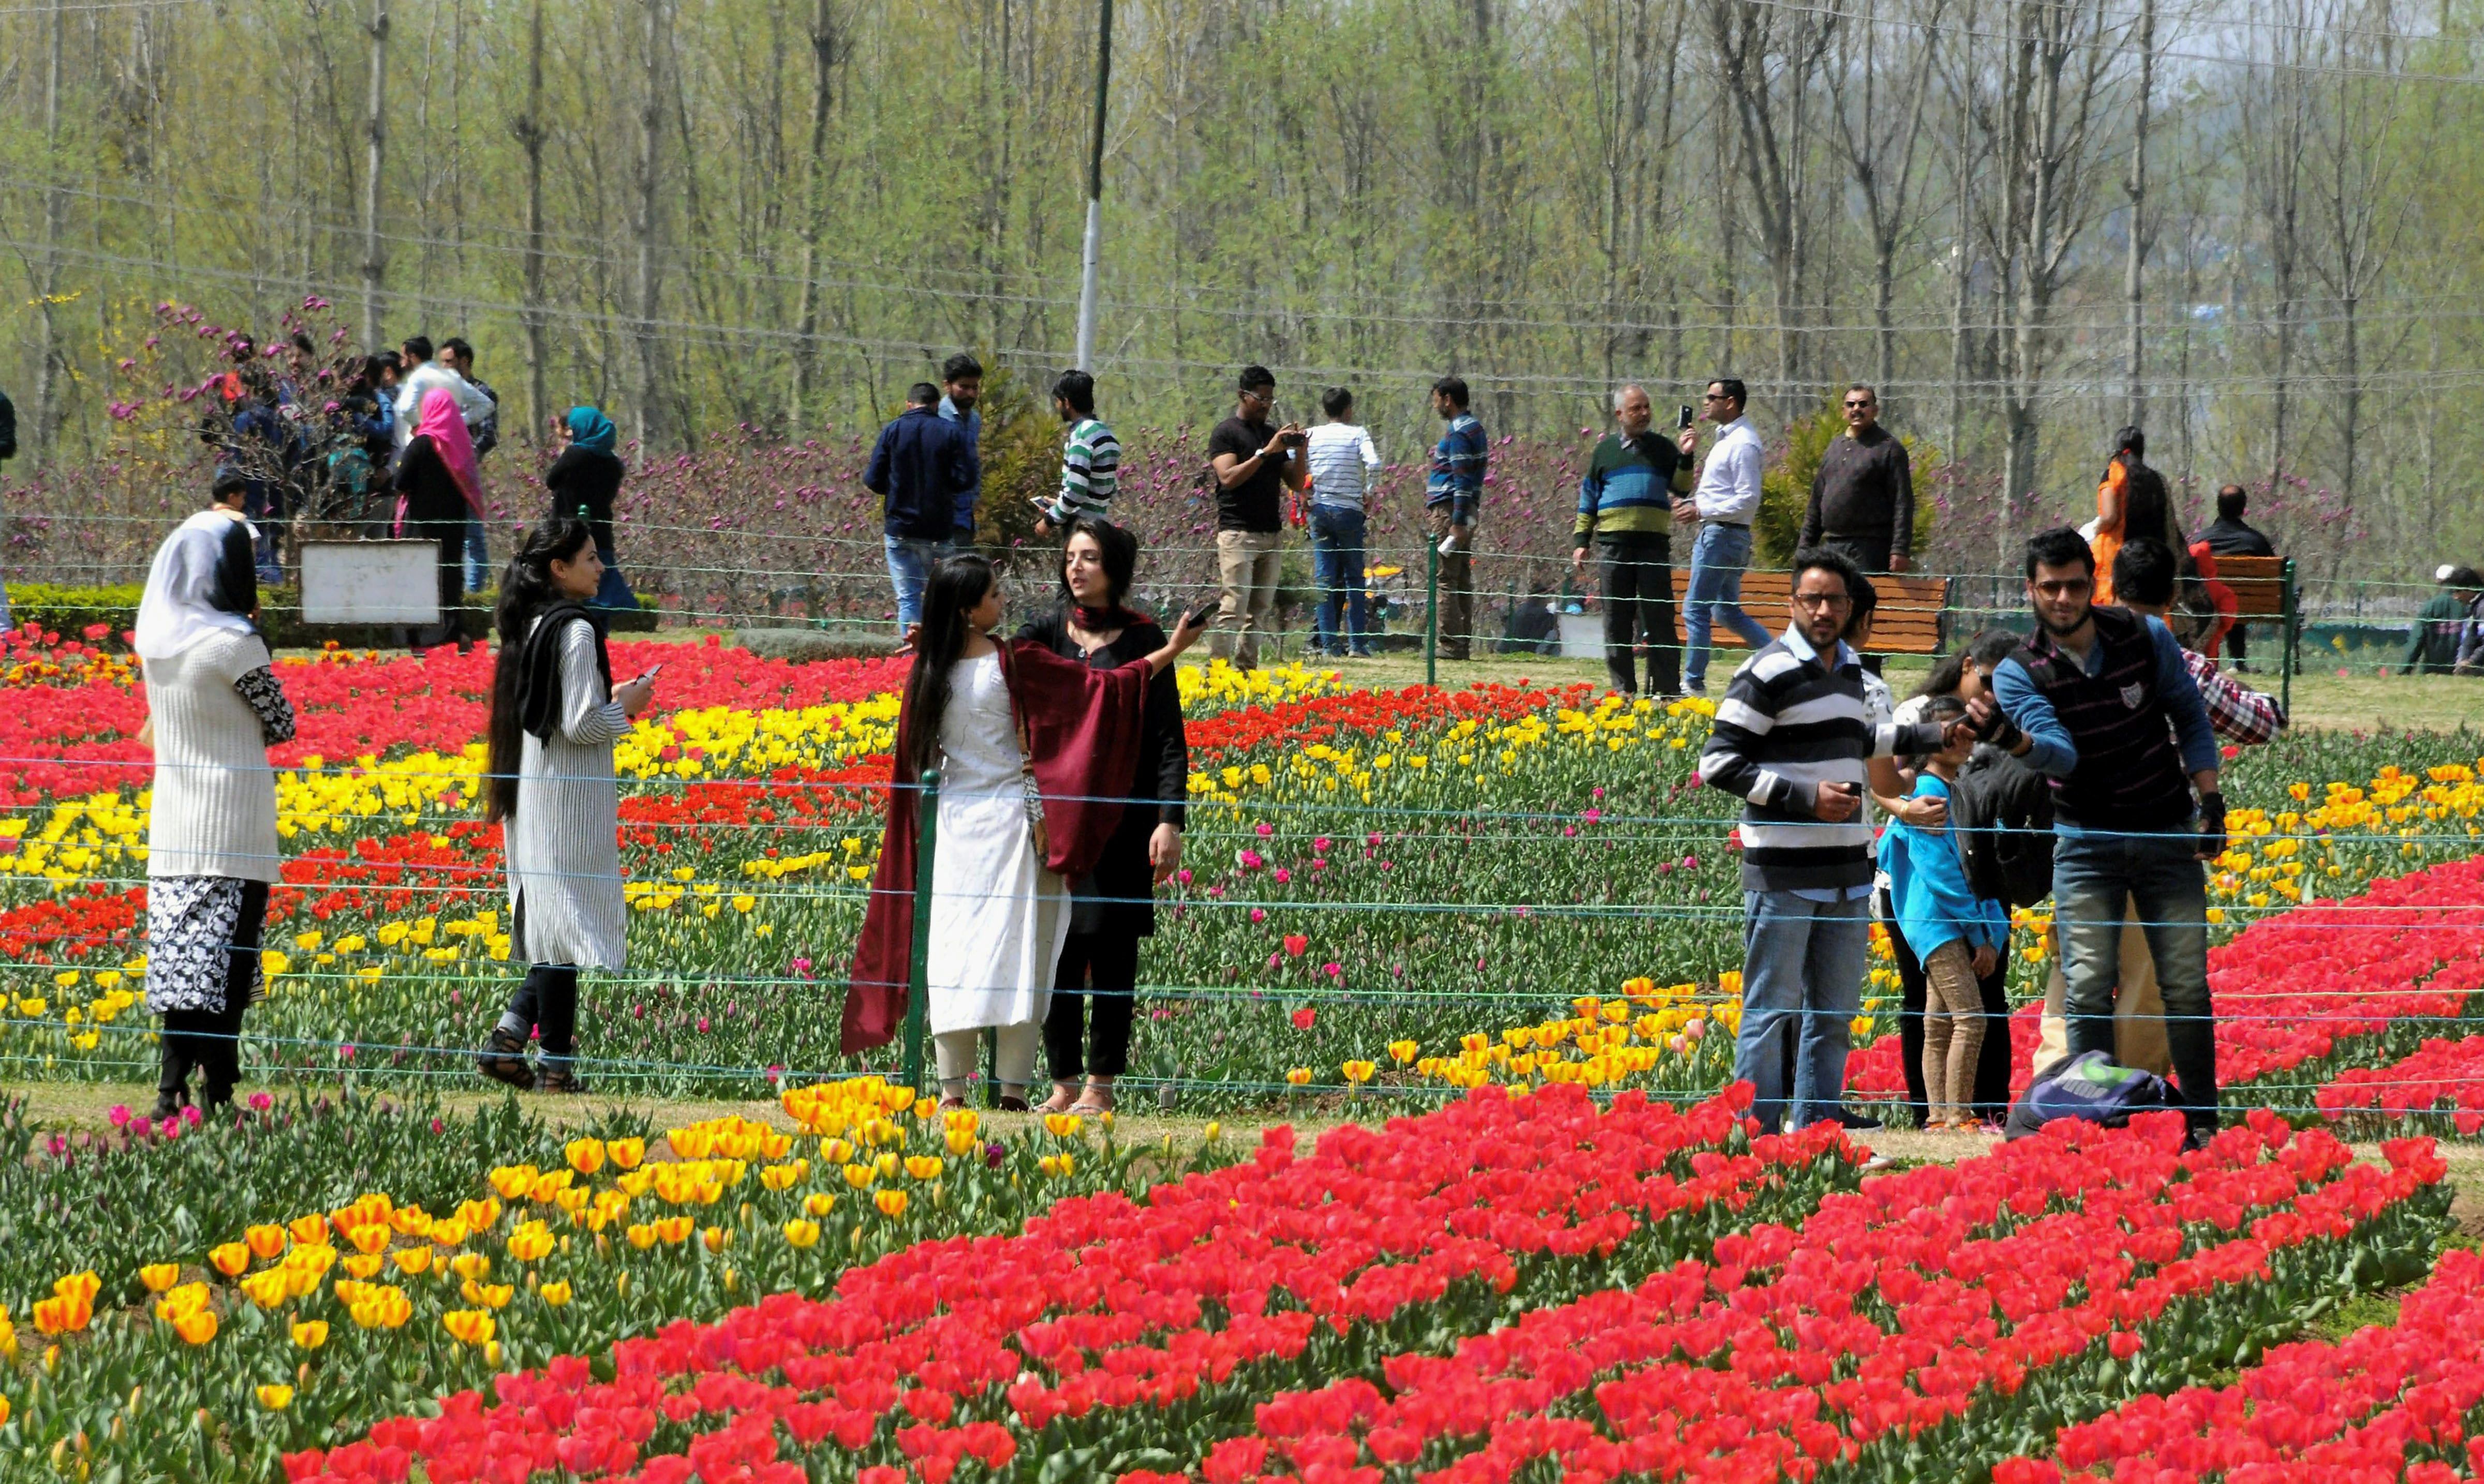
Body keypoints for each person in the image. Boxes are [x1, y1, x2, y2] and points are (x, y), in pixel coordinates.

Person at [842, 556, 1209, 1109]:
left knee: (953, 954)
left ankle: (953, 1092)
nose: (1003, 602)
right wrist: (1173, 650)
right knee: (1023, 950)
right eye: (993, 595)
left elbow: (920, 760)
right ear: (969, 611)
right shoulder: (1012, 662)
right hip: (1015, 824)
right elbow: (1103, 691)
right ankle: (1013, 1091)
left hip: (952, 829)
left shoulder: (928, 671)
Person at [1698, 546, 1968, 1133]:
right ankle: (1759, 1134)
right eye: (1812, 598)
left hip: (1848, 871)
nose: (1824, 609)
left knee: (1834, 1012)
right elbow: (1718, 763)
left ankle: (1817, 1128)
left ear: (1849, 607)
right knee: (1771, 1012)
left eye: (1835, 600)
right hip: (1784, 875)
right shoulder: (1765, 672)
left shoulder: (1848, 670)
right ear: (1792, 603)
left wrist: (1936, 732)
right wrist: (1805, 797)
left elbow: (1859, 738)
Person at [1977, 526, 2225, 1146]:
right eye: (2050, 587)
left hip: (2167, 829)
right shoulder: (2020, 673)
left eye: (2075, 585)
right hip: (2085, 842)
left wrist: (2212, 800)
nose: (2063, 598)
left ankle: (2204, 1126)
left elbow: (2189, 716)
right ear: (2031, 590)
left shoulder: (2146, 637)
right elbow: (2063, 758)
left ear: (2096, 583)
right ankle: (2090, 1125)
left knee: (2186, 983)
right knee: (2088, 985)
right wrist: (2014, 741)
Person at [2026, 537, 2287, 1081]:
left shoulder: (2061, 659)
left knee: (2076, 978)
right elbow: (2259, 723)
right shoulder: (2182, 660)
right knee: (2147, 979)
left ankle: (2058, 1087)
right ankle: (2134, 1094)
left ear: (2108, 588)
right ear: (2173, 594)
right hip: (2160, 833)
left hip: (2083, 834)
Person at [475, 518, 657, 1093]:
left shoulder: (532, 625)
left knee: (559, 928)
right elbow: (579, 724)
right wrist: (627, 705)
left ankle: (516, 1043)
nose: (601, 568)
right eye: (590, 558)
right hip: (569, 799)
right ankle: (552, 1067)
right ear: (559, 568)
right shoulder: (575, 631)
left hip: (535, 791)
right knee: (567, 928)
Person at [1017, 520, 1190, 1115]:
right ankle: (1062, 1080)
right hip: (1057, 821)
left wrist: (1169, 820)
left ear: (1115, 566)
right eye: (1070, 557)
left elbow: (1169, 736)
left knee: (1113, 952)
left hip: (1125, 816)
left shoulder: (1144, 636)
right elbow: (994, 663)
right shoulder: (1045, 633)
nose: (1077, 568)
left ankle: (1101, 1084)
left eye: (1090, 557)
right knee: (1056, 949)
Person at [135, 481, 297, 1116]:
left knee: (180, 965)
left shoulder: (157, 646)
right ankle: (220, 1090)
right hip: (233, 824)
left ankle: (169, 1090)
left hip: (175, 823)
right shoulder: (233, 644)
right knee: (228, 965)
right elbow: (281, 722)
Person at [1874, 627, 2024, 1126]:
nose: (1963, 737)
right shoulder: (1927, 794)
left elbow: (1974, 863)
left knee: (1940, 1021)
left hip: (1951, 917)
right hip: (1937, 920)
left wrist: (1990, 927)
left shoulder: (1955, 786)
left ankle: (1940, 1116)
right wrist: (1982, 931)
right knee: (1969, 1017)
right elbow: (1944, 871)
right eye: (1951, 733)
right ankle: (1955, 1114)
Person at [1573, 384, 1691, 697]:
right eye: (1636, 408)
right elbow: (1589, 498)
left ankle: (1668, 692)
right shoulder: (1605, 452)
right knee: (1617, 620)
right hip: (1614, 546)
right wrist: (1582, 540)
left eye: (1647, 407)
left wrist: (1687, 456)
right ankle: (1624, 692)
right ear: (1619, 414)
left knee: (1660, 618)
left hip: (1653, 546)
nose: (1644, 414)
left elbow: (1682, 489)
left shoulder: (1664, 449)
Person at [1205, 366, 1306, 670]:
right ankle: (1216, 673)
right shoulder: (1226, 433)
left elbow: (1297, 484)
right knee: (1233, 606)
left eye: (1270, 400)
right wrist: (1265, 452)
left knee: (1259, 610)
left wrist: (1301, 450)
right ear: (1242, 395)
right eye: (1260, 398)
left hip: (1270, 534)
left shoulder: (1270, 434)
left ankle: (1247, 671)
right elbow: (1228, 478)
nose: (1265, 405)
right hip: (1238, 533)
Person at [1680, 378, 1774, 695]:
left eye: (1712, 397)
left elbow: (1748, 498)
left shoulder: (1743, 443)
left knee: (1695, 609)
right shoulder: (1727, 439)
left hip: (1722, 536)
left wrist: (1701, 510)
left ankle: (1693, 684)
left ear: (1730, 402)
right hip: (1724, 534)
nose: (1706, 403)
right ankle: (1780, 660)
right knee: (1724, 610)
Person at [865, 383, 980, 633]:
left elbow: (873, 479)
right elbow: (968, 479)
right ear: (937, 405)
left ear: (909, 404)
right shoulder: (950, 433)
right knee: (943, 599)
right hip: (939, 531)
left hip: (900, 529)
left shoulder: (893, 430)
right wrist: (944, 487)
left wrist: (896, 490)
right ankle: (942, 656)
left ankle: (910, 659)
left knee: (908, 598)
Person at [392, 388, 485, 650]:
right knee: (450, 578)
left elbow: (401, 482)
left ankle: (420, 637)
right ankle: (453, 633)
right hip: (453, 527)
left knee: (420, 578)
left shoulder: (423, 443)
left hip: (422, 525)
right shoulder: (462, 443)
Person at [1800, 384, 1916, 576]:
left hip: (1870, 549)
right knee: (1834, 603)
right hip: (1832, 547)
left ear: (1875, 410)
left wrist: (1900, 549)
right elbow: (1816, 502)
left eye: (1863, 404)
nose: (1857, 409)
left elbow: (1903, 502)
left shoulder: (1889, 449)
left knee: (1862, 604)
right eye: (1851, 405)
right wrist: (1805, 548)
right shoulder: (1834, 447)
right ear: (1843, 411)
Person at [1305, 388, 1382, 660]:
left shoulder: (1311, 435)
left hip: (1320, 509)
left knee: (1324, 580)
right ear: (1348, 409)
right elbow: (1374, 463)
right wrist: (1369, 492)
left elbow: (1293, 462)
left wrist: (1304, 494)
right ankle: (1357, 644)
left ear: (1326, 410)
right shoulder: (1357, 434)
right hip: (1350, 509)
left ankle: (1328, 645)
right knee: (1354, 578)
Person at [545, 406, 638, 612]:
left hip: (567, 528)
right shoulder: (614, 463)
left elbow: (551, 481)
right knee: (600, 580)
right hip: (601, 530)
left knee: (565, 581)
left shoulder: (575, 455)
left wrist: (564, 453)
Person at [1426, 377, 1488, 662]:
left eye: (1436, 398)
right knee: (1461, 576)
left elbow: (1462, 480)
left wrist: (1457, 521)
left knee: (1445, 578)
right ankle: (1461, 642)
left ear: (1448, 399)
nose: (1435, 404)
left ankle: (1450, 644)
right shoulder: (1474, 427)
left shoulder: (1459, 432)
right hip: (1462, 510)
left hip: (1450, 510)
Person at [2090, 426, 2179, 606]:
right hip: (2152, 558)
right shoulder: (2157, 479)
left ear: (2117, 450)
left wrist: (2094, 530)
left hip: (2119, 560)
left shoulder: (2113, 474)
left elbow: (2109, 517)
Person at [439, 338, 500, 593]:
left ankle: (473, 594)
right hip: (441, 473)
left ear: (464, 361)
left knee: (471, 536)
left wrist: (465, 459)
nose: (444, 367)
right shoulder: (442, 392)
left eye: (449, 361)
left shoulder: (481, 393)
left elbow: (489, 436)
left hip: (466, 475)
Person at [2198, 484, 2275, 667]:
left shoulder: (2201, 540)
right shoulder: (2256, 541)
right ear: (2243, 509)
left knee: (2224, 596)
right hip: (2248, 605)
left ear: (2218, 507)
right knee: (2235, 598)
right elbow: (2276, 578)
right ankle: (2238, 662)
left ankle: (2206, 662)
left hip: (2207, 605)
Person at [1036, 370, 1119, 533]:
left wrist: (1050, 520)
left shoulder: (1081, 437)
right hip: (1100, 525)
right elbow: (1108, 487)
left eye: (1058, 402)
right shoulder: (1105, 433)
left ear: (1067, 402)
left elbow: (1076, 489)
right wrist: (1060, 504)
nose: (1057, 406)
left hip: (1080, 527)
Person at [390, 335, 494, 452]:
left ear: (413, 357)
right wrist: (456, 421)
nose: (401, 363)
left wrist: (424, 426)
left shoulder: (418, 378)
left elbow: (406, 409)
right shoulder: (452, 377)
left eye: (403, 357)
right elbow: (487, 405)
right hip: (450, 449)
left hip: (421, 448)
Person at [938, 353, 984, 542]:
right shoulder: (937, 417)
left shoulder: (974, 420)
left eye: (975, 388)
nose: (971, 394)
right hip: (941, 516)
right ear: (947, 385)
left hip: (966, 515)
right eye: (964, 387)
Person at [2406, 566, 2480, 676]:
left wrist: (2405, 669)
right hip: (2465, 670)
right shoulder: (2472, 604)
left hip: (2433, 672)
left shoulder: (2430, 606)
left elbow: (2417, 640)